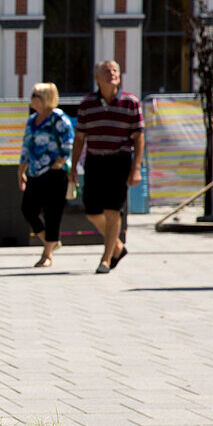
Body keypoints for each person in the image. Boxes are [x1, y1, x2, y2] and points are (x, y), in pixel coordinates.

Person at [69, 60, 144, 274]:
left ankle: (106, 258)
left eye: (115, 70)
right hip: (94, 160)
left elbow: (139, 137)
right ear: (97, 77)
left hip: (119, 160)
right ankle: (118, 247)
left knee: (113, 211)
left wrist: (136, 168)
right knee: (92, 211)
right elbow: (79, 137)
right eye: (106, 71)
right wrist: (73, 167)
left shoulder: (131, 102)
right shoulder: (87, 104)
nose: (112, 74)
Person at [18, 82, 74, 268]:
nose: (31, 98)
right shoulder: (32, 120)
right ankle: (50, 241)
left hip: (55, 174)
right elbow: (27, 146)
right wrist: (21, 169)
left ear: (45, 98)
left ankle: (47, 254)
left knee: (52, 214)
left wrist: (60, 161)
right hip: (35, 172)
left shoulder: (58, 118)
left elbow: (69, 141)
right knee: (28, 209)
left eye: (35, 95)